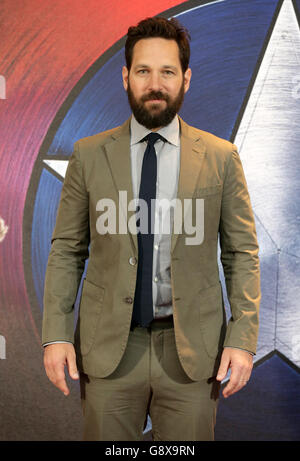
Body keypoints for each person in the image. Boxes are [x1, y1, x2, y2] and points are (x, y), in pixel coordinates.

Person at [42, 16, 260, 441]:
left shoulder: (221, 157)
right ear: (126, 77)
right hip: (108, 352)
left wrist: (243, 337)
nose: (155, 83)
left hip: (193, 355)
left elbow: (241, 254)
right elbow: (67, 250)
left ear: (187, 79)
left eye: (167, 72)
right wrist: (54, 334)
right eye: (143, 71)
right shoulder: (88, 156)